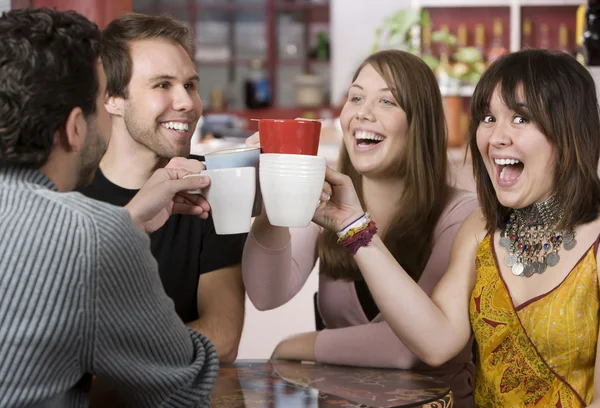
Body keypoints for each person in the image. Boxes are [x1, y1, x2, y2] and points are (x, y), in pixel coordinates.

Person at [308, 49, 600, 407]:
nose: (496, 137)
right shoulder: (482, 229)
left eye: (521, 118)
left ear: (571, 129)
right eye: (488, 117)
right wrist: (352, 226)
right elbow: (435, 341)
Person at [0, 7, 220, 407]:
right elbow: (182, 387)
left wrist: (126, 224)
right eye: (100, 103)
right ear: (75, 127)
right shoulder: (92, 234)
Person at [242, 49, 479, 406]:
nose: (363, 112)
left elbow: (410, 348)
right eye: (356, 97)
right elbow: (266, 294)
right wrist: (271, 202)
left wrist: (299, 345)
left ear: (421, 123)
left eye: (387, 101)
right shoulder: (325, 198)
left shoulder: (461, 215)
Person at [78, 13, 246, 363]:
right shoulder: (68, 191)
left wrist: (94, 351)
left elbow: (224, 336)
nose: (187, 103)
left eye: (190, 85)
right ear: (112, 98)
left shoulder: (210, 183)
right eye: (162, 85)